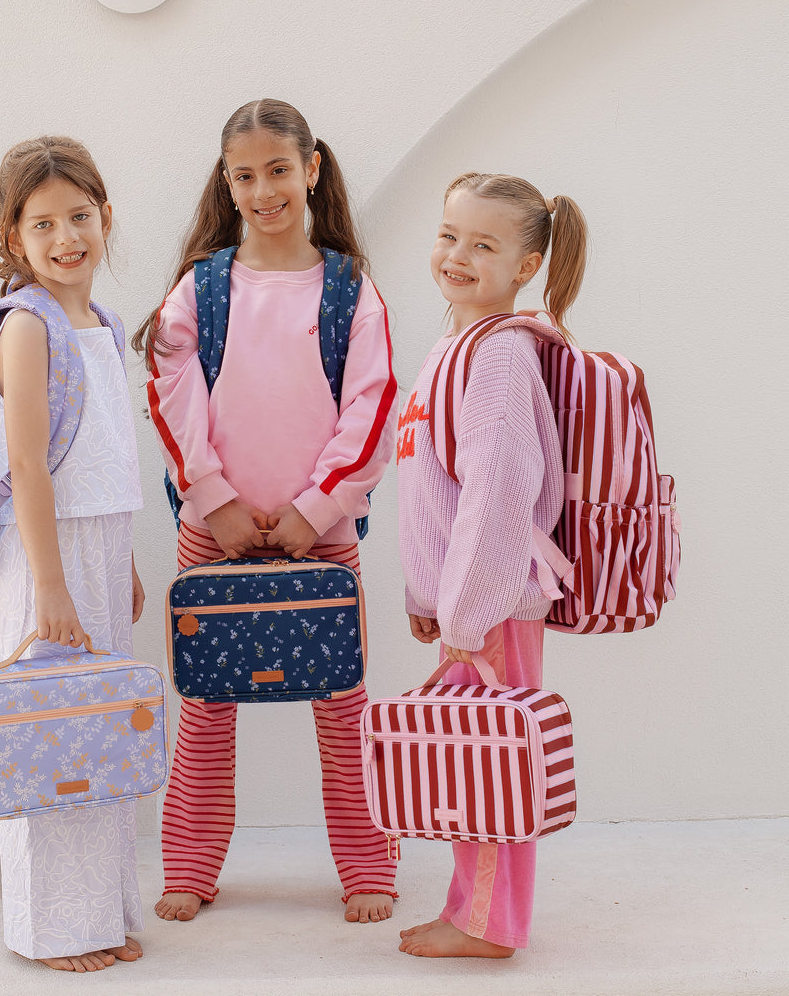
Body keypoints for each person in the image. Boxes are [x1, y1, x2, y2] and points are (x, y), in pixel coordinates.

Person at [133, 98, 399, 923]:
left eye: (278, 170)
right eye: (244, 175)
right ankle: (190, 867)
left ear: (311, 168)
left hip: (322, 540)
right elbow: (170, 398)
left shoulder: (351, 290)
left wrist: (317, 509)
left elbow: (373, 406)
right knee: (206, 711)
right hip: (212, 538)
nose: (263, 190)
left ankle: (369, 870)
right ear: (227, 181)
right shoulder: (200, 290)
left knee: (343, 712)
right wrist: (214, 503)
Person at [396, 172, 587, 958]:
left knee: (487, 762)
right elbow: (434, 486)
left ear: (526, 264)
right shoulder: (459, 346)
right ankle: (477, 914)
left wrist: (466, 612)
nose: (458, 254)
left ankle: (484, 923)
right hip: (471, 600)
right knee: (470, 756)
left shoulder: (501, 355)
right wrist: (424, 592)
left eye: (484, 244)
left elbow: (501, 488)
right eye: (449, 234)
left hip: (492, 603)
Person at [0, 136, 146, 972]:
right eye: (42, 223)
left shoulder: (105, 324)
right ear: (14, 237)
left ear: (105, 217)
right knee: (47, 740)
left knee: (100, 737)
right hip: (45, 557)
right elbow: (27, 467)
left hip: (97, 546)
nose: (65, 237)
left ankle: (102, 914)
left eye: (78, 216)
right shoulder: (26, 326)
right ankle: (51, 929)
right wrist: (51, 583)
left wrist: (121, 564)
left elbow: (104, 454)